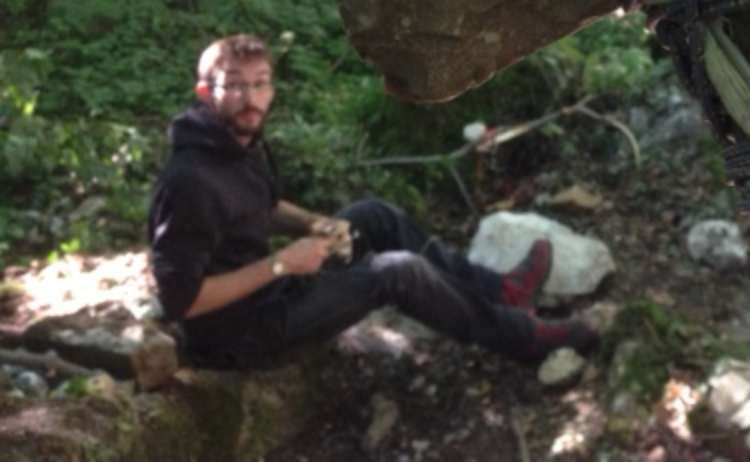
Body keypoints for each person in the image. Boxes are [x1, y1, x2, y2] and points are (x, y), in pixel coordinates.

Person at [148, 33, 598, 370]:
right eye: (235, 85)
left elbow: (260, 208)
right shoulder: (189, 182)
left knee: (373, 216)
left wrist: (314, 223)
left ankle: (500, 291)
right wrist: (281, 265)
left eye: (261, 83)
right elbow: (180, 303)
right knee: (398, 271)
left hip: (270, 294)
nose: (251, 98)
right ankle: (523, 337)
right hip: (238, 338)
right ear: (206, 93)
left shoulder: (238, 142)